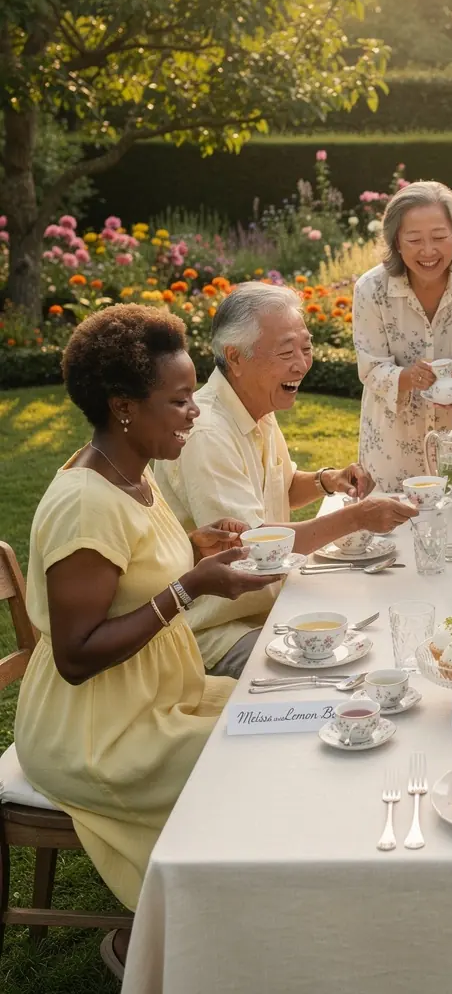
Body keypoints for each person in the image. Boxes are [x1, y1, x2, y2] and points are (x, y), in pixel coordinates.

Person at [14, 304, 282, 976]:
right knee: (253, 761)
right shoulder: (86, 504)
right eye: (180, 399)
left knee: (280, 716)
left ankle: (235, 917)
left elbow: (132, 573)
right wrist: (189, 587)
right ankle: (152, 939)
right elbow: (76, 656)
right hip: (97, 730)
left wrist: (192, 548)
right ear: (124, 408)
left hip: (162, 695)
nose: (195, 412)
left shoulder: (133, 470)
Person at [156, 281, 417, 677]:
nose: (301, 364)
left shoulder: (256, 404)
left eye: (305, 348)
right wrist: (358, 517)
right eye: (285, 352)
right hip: (217, 629)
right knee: (334, 671)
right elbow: (256, 548)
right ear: (235, 357)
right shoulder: (207, 433)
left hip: (270, 607)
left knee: (377, 621)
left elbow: (282, 486)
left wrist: (328, 480)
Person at [352, 180, 452, 491]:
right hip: (392, 444)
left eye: (439, 237)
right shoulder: (371, 290)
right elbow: (370, 368)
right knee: (391, 518)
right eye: (414, 240)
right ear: (397, 242)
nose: (428, 251)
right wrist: (410, 377)